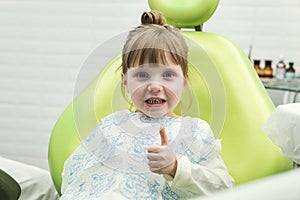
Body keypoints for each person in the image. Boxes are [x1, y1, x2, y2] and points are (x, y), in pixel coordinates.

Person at [60, 10, 234, 199]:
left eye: (168, 75)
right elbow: (71, 173)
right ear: (125, 81)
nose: (154, 86)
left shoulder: (193, 131)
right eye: (142, 75)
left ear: (184, 81)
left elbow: (225, 189)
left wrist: (176, 168)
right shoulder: (112, 125)